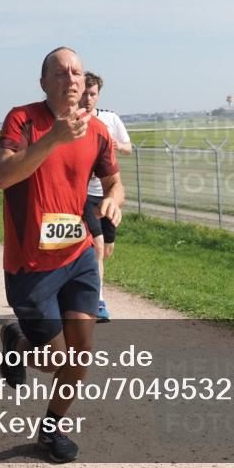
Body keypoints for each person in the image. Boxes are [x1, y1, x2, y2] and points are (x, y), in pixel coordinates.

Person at [0, 47, 124, 464]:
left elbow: (114, 182)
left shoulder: (99, 131)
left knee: (82, 353)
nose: (72, 78)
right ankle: (14, 339)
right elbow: (3, 176)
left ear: (86, 83)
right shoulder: (23, 119)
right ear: (44, 82)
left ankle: (51, 429)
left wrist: (114, 200)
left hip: (79, 252)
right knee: (53, 360)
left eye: (78, 72)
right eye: (62, 72)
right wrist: (53, 138)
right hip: (30, 262)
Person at [79, 72, 132, 323]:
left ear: (98, 95)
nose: (88, 98)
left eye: (92, 94)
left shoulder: (110, 119)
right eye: (84, 93)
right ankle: (97, 301)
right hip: (84, 194)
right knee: (97, 247)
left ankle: (79, 287)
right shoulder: (74, 122)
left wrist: (112, 145)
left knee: (106, 249)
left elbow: (128, 147)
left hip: (107, 194)